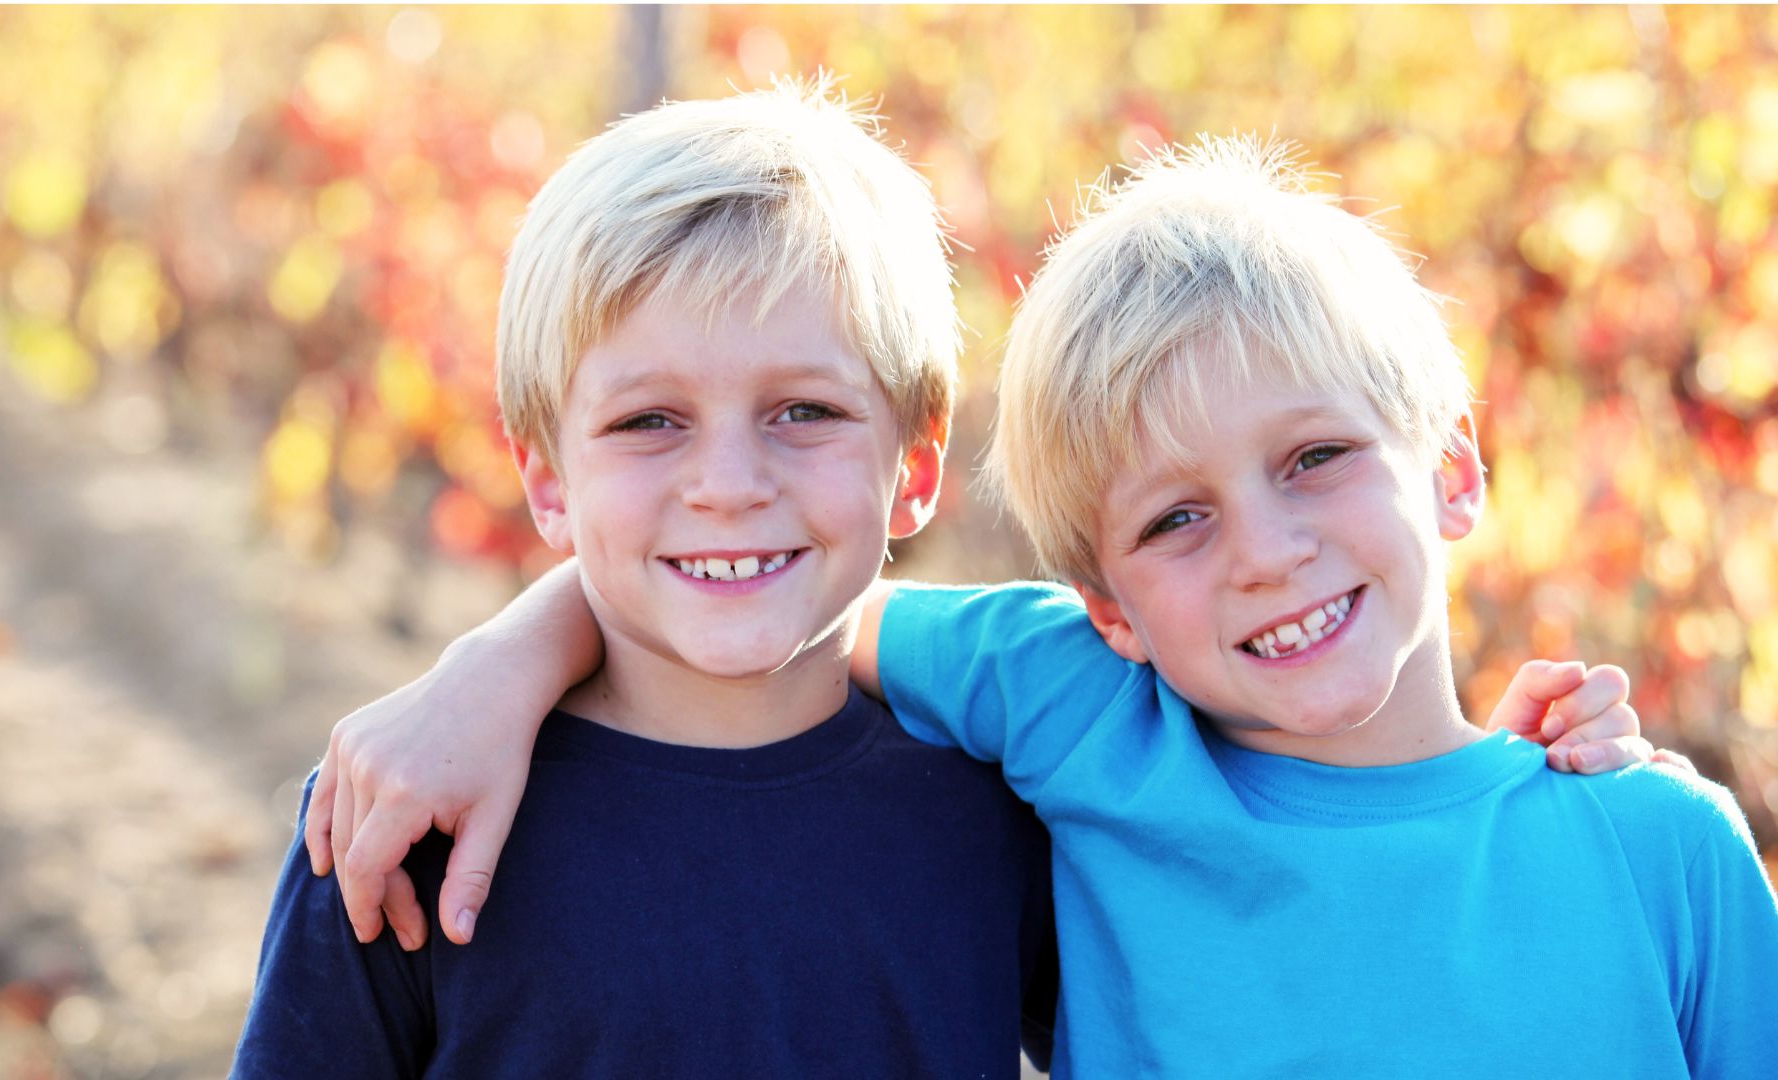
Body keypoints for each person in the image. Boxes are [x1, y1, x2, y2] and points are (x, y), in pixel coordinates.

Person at [302, 133, 1771, 1075]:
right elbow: (794, 611)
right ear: (1108, 603)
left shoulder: (1656, 855)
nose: (1262, 551)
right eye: (1176, 519)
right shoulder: (1082, 717)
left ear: (1455, 468)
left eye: (1317, 458)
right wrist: (498, 665)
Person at [232, 82, 1059, 1078]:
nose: (727, 486)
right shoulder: (407, 820)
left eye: (803, 411)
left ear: (915, 469)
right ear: (546, 481)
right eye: (648, 421)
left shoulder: (999, 809)